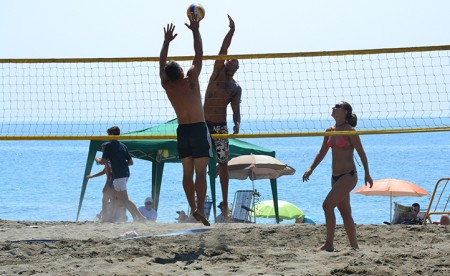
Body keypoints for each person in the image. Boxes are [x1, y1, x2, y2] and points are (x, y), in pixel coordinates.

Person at [159, 15, 212, 226]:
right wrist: (195, 30)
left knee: (187, 173)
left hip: (182, 130)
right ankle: (200, 208)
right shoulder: (190, 79)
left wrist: (166, 43)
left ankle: (193, 208)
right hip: (199, 129)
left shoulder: (168, 86)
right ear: (180, 71)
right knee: (201, 173)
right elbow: (199, 53)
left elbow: (162, 64)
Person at [303, 101, 373, 252]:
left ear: (346, 112)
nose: (334, 108)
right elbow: (321, 152)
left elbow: (361, 153)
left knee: (327, 205)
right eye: (334, 106)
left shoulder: (350, 131)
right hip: (335, 176)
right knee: (345, 212)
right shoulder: (330, 130)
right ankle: (355, 247)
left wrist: (367, 173)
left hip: (349, 175)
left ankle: (329, 244)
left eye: (338, 107)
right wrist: (311, 168)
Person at [203, 14, 241, 219]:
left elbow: (235, 109)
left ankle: (225, 203)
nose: (229, 62)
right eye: (228, 61)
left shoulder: (235, 87)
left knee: (223, 164)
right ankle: (199, 204)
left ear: (237, 67)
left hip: (219, 126)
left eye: (233, 62)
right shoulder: (217, 73)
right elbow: (222, 50)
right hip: (202, 123)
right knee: (199, 162)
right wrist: (231, 31)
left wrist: (237, 122)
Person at [98, 126, 146, 222]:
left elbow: (103, 161)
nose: (108, 136)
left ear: (111, 134)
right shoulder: (123, 146)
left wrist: (98, 160)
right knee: (119, 198)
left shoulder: (108, 146)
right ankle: (112, 218)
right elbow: (131, 162)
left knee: (124, 199)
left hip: (119, 175)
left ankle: (140, 217)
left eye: (108, 134)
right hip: (125, 173)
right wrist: (121, 164)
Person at [86, 142, 115, 222]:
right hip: (116, 180)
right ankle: (108, 218)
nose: (101, 150)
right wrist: (92, 176)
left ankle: (106, 218)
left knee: (106, 199)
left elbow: (109, 175)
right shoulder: (111, 158)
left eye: (102, 149)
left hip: (113, 180)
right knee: (112, 200)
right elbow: (104, 171)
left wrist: (106, 186)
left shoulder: (108, 159)